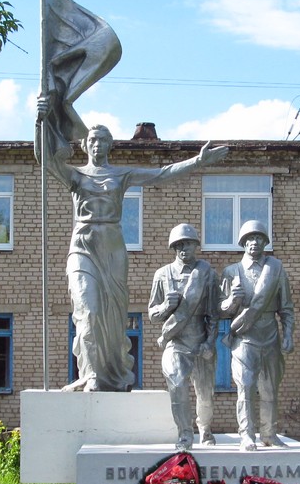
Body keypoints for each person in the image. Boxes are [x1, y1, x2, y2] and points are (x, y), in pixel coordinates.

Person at [36, 93, 228, 391]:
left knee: (114, 315)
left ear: (109, 146)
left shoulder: (121, 174)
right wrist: (40, 121)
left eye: (103, 141)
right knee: (88, 310)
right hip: (83, 246)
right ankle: (90, 373)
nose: (97, 145)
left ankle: (112, 372)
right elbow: (45, 159)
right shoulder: (75, 176)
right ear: (85, 145)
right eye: (93, 140)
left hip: (112, 246)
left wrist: (198, 161)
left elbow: (161, 175)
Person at [220, 220, 294, 450]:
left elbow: (286, 307)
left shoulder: (276, 269)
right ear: (243, 243)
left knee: (270, 388)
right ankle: (247, 435)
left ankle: (269, 433)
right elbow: (220, 311)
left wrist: (288, 334)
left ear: (265, 242)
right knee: (245, 388)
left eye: (259, 238)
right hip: (244, 338)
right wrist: (232, 300)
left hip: (270, 335)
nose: (254, 242)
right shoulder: (231, 272)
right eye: (250, 239)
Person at [149, 224, 219, 450]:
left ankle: (205, 429)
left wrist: (209, 342)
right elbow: (152, 314)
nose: (183, 248)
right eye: (179, 244)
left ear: (195, 245)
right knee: (177, 386)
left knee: (205, 394)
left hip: (200, 340)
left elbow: (214, 314)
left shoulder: (207, 274)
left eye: (187, 243)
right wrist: (165, 307)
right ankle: (185, 434)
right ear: (173, 247)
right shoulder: (162, 274)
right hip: (176, 342)